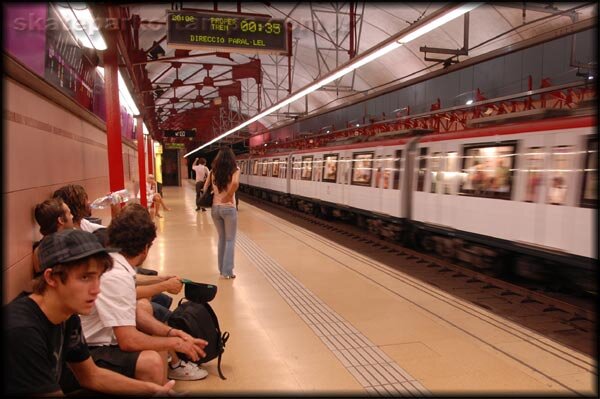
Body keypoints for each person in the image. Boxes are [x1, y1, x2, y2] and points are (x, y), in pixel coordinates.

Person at [4, 229, 176, 396]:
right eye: (85, 277)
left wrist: (152, 389)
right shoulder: (21, 331)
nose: (96, 290)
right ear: (51, 278)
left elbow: (92, 376)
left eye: (99, 277)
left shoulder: (67, 316)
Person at [79, 203, 209, 381]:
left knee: (148, 316)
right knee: (151, 361)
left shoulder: (114, 262)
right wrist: (176, 343)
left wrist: (170, 333)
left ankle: (163, 384)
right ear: (145, 248)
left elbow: (134, 312)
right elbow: (128, 341)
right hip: (89, 350)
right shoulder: (117, 275)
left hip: (97, 340)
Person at [203, 147, 240, 279]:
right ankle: (227, 271)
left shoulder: (214, 171)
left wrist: (215, 193)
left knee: (222, 239)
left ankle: (221, 269)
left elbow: (205, 186)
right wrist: (229, 195)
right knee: (230, 240)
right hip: (229, 208)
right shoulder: (234, 169)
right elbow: (235, 182)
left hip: (215, 209)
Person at [32, 197, 75, 274]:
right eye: (69, 213)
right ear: (61, 220)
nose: (72, 216)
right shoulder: (71, 243)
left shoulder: (37, 251)